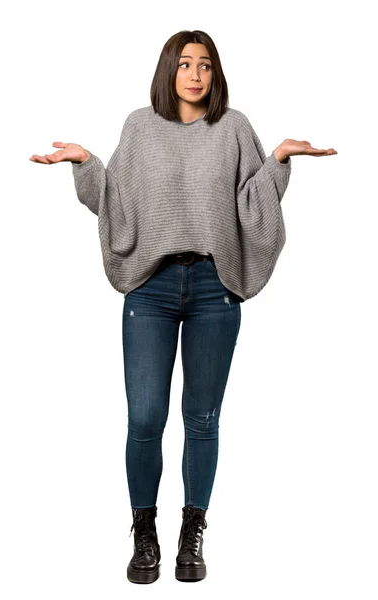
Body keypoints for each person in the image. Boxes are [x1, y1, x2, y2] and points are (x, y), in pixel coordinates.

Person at [30, 29, 337, 584]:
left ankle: (191, 533)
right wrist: (87, 163)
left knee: (202, 418)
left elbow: (249, 201)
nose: (195, 74)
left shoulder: (234, 127)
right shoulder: (139, 127)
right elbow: (118, 198)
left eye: (206, 65)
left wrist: (279, 160)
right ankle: (143, 531)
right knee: (145, 416)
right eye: (186, 64)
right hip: (150, 286)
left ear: (215, 75)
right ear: (168, 69)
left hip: (214, 291)